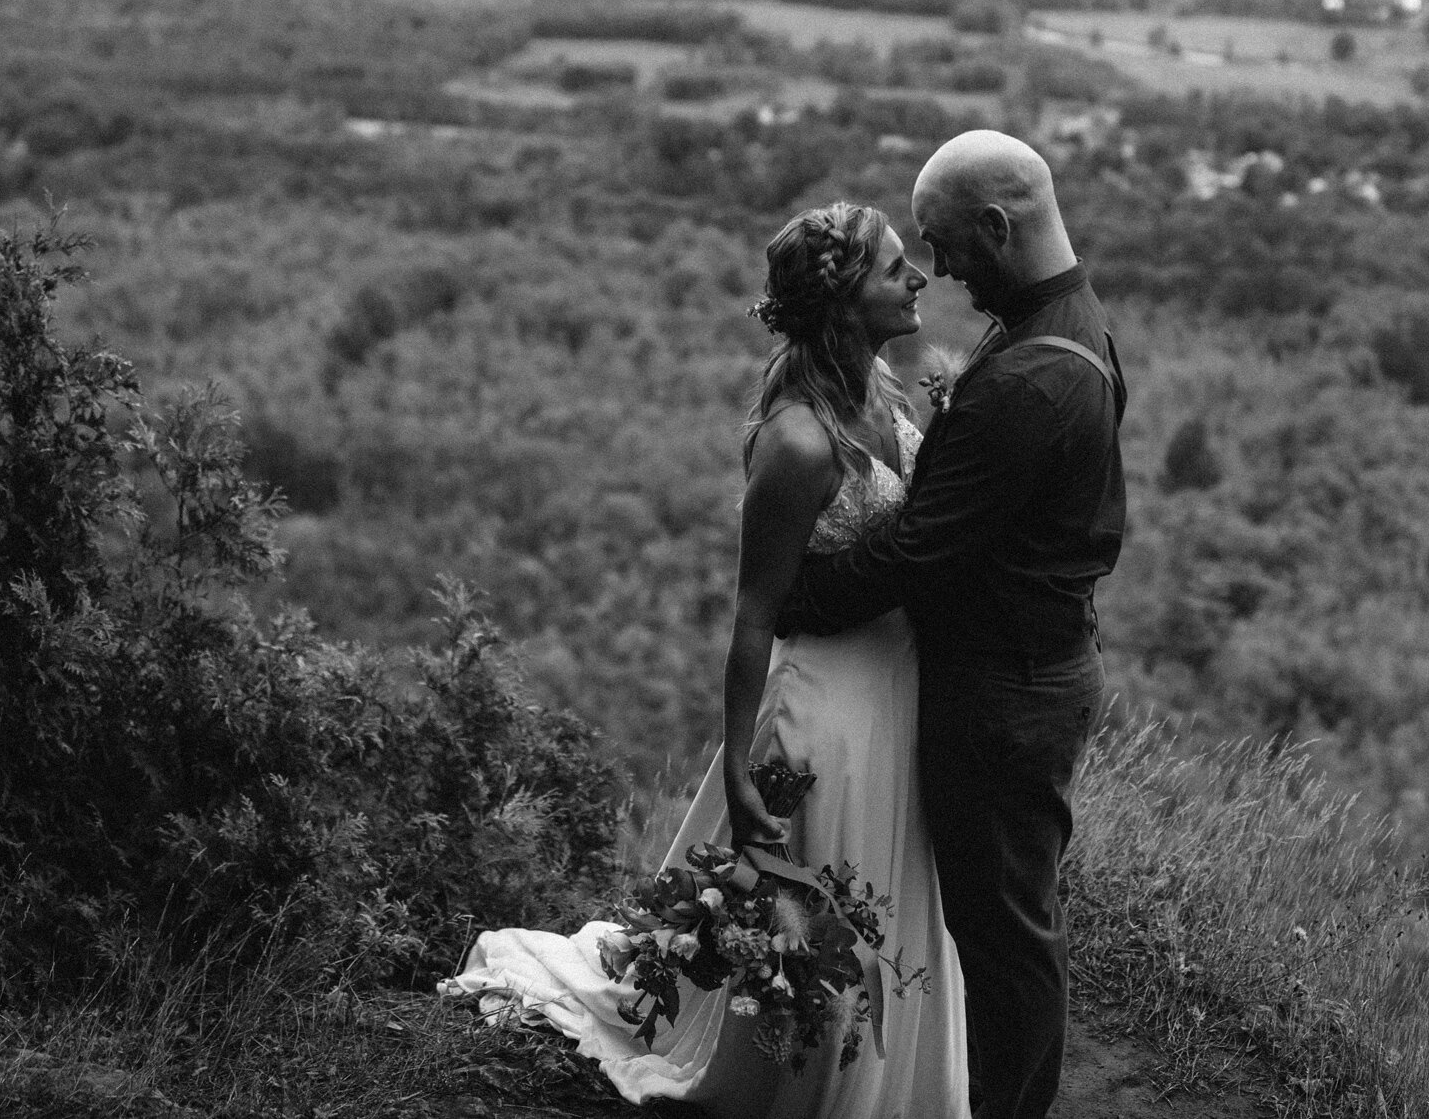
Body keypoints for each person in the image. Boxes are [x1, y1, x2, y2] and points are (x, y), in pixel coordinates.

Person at [440, 201, 968, 1119]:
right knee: (828, 920)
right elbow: (753, 616)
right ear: (846, 300)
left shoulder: (882, 387)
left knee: (890, 895)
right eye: (893, 268)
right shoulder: (800, 443)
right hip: (828, 709)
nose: (916, 277)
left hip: (899, 683)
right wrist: (737, 762)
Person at [778, 131, 1127, 1119]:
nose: (936, 271)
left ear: (996, 225)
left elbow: (918, 554)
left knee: (1005, 935)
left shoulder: (1029, 378)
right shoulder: (1068, 323)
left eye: (941, 243)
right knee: (998, 916)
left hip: (1005, 690)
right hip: (1033, 665)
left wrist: (792, 602)